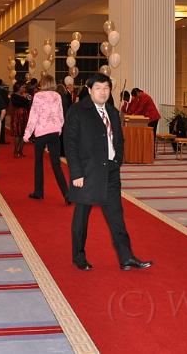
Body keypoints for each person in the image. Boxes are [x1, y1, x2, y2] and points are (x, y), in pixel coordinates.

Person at [64, 73, 152, 272]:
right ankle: (79, 257)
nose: (102, 92)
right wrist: (76, 173)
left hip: (110, 171)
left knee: (116, 215)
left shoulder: (112, 111)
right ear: (89, 90)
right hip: (87, 172)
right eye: (98, 88)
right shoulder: (77, 111)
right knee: (82, 215)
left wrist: (117, 160)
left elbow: (119, 139)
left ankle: (126, 257)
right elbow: (70, 143)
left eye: (106, 88)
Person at [24, 76, 70, 204]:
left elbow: (33, 116)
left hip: (41, 133)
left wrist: (27, 134)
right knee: (56, 165)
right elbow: (61, 116)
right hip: (54, 133)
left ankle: (38, 192)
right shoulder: (57, 96)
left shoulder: (38, 96)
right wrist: (58, 129)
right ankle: (66, 193)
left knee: (39, 163)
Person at [10, 82, 30, 157]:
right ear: (18, 88)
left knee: (24, 133)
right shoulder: (14, 96)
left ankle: (21, 150)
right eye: (23, 87)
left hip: (24, 114)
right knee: (18, 133)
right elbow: (17, 103)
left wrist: (27, 98)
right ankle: (15, 150)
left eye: (25, 87)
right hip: (17, 114)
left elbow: (27, 104)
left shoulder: (25, 95)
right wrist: (24, 98)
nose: (24, 89)